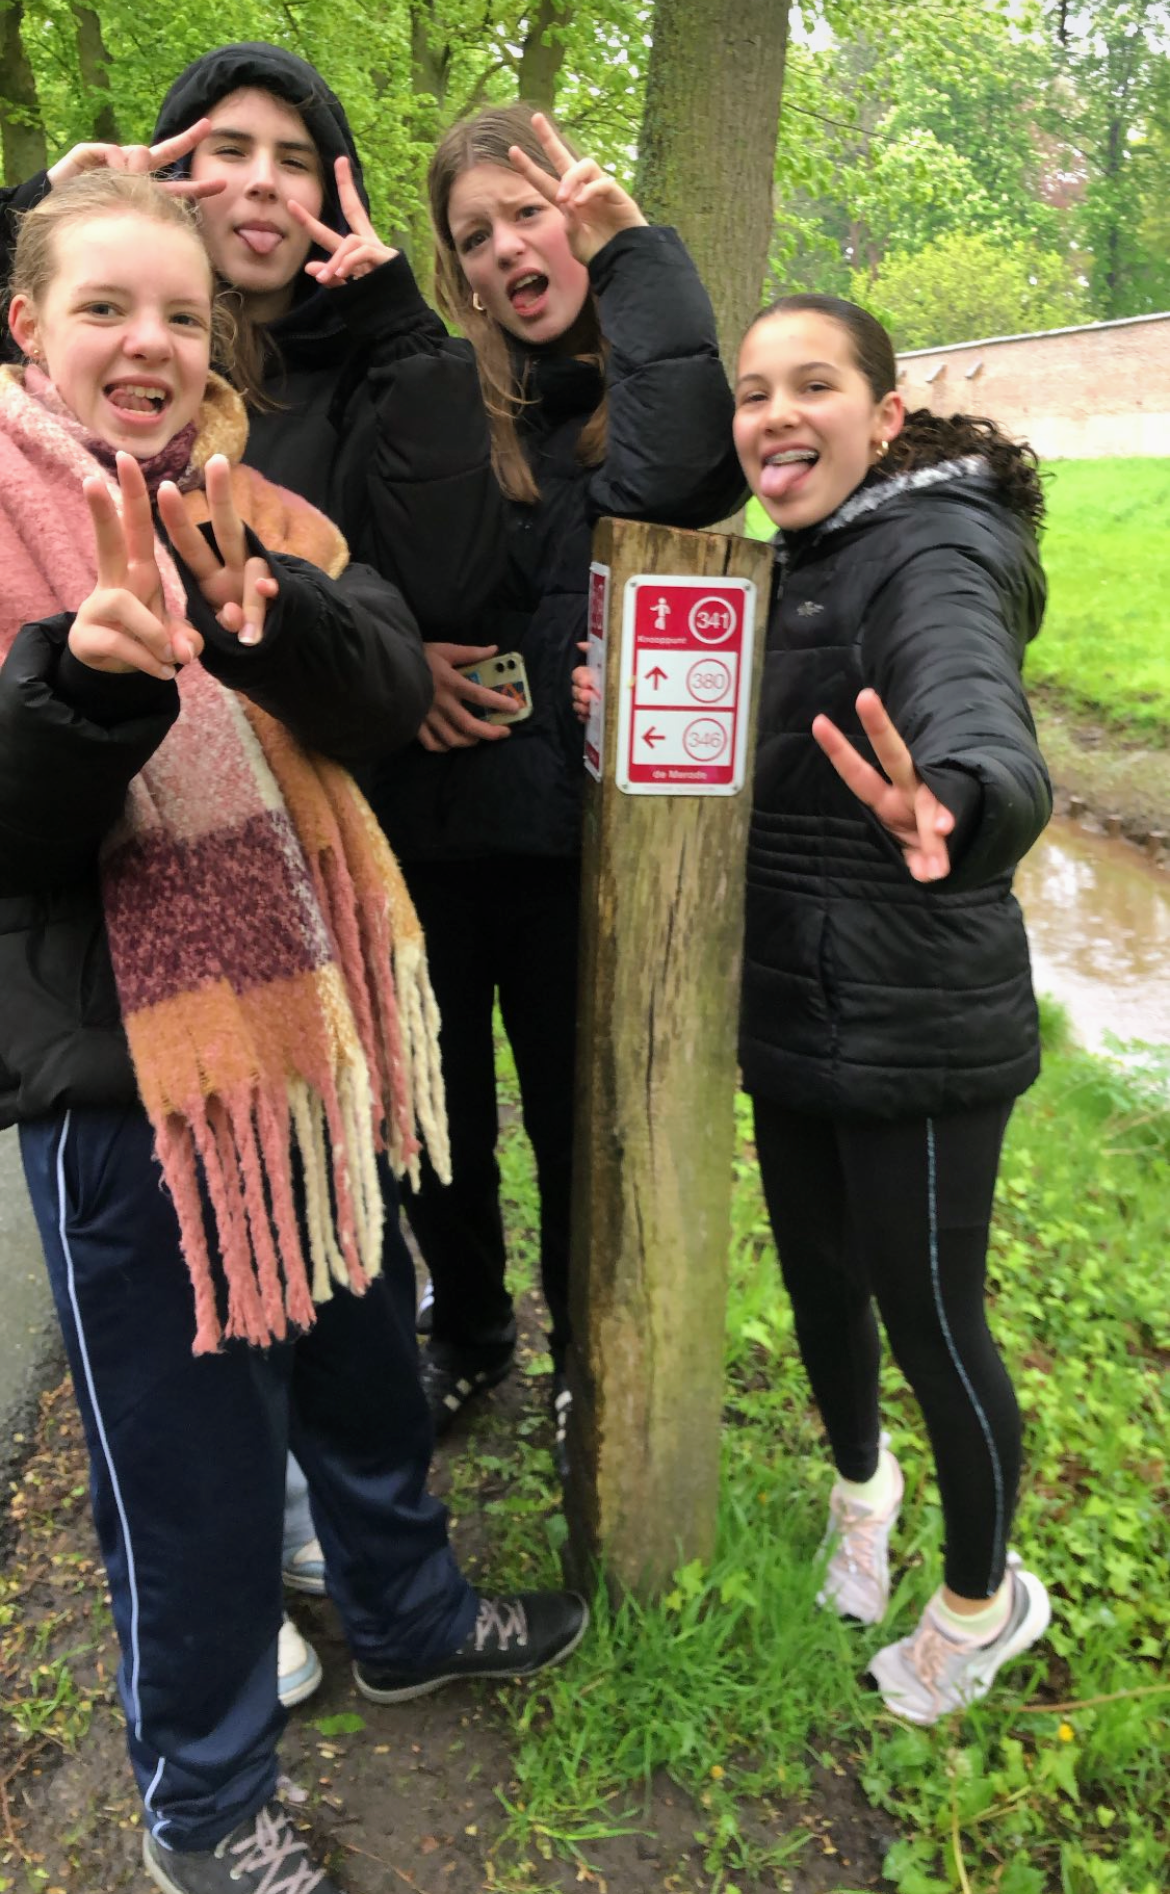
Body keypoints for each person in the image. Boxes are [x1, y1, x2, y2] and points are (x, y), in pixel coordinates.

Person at [0, 172, 586, 1894]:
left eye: (181, 315)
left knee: (365, 1366)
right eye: (106, 307)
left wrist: (266, 613)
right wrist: (86, 690)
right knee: (189, 1487)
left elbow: (386, 690)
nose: (150, 344)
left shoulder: (247, 501)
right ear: (26, 325)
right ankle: (204, 1809)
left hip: (309, 1048)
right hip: (133, 1090)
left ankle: (407, 1615)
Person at [370, 105, 747, 1467]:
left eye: (527, 213)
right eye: (474, 236)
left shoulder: (631, 400)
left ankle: (590, 1345)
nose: (505, 250)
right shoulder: (439, 397)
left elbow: (675, 482)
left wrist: (638, 255)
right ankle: (470, 1332)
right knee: (439, 1117)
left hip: (573, 841)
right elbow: (373, 561)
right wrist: (396, 667)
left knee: (583, 1117)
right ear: (458, 273)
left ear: (578, 219)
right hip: (426, 826)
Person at [729, 291, 1053, 1724]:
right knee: (817, 1278)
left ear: (886, 412)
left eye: (813, 385)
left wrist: (959, 800)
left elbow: (969, 701)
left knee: (930, 1316)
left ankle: (984, 1601)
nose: (776, 416)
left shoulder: (933, 546)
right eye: (753, 392)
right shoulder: (793, 562)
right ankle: (863, 1491)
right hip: (795, 997)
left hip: (916, 1017)